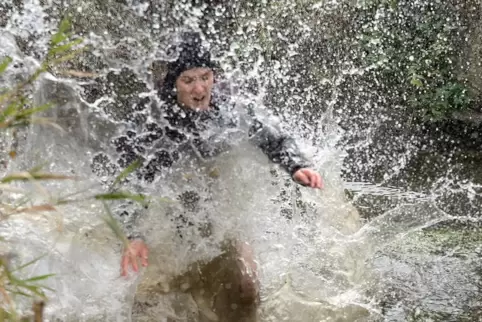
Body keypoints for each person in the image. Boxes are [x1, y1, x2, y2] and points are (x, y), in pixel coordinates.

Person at [104, 32, 323, 319]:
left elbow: (275, 138)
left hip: (222, 218)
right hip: (167, 222)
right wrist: (133, 235)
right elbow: (125, 183)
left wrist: (296, 165)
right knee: (148, 303)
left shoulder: (230, 112)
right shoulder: (152, 124)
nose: (199, 89)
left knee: (247, 289)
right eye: (189, 80)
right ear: (173, 85)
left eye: (205, 77)